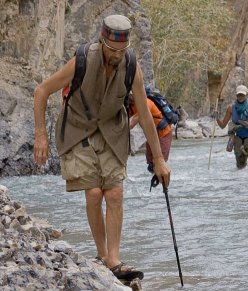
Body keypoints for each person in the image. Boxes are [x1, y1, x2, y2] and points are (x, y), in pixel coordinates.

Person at [33, 15, 170, 280]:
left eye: (122, 50)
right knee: (94, 193)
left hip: (112, 132)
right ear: (102, 41)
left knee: (115, 194)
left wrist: (161, 161)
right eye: (111, 49)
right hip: (76, 130)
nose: (116, 55)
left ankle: (114, 260)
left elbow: (144, 113)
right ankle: (103, 253)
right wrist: (41, 136)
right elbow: (41, 91)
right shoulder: (83, 59)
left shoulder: (131, 67)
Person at [214, 85, 248, 170]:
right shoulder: (231, 108)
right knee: (240, 167)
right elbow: (222, 125)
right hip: (238, 139)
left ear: (246, 95)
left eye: (242, 95)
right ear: (236, 95)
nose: (240, 97)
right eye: (239, 95)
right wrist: (216, 118)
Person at [130, 86, 173, 173]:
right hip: (151, 135)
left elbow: (131, 123)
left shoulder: (146, 103)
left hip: (164, 134)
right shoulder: (132, 105)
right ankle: (155, 181)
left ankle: (164, 184)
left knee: (160, 164)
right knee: (150, 164)